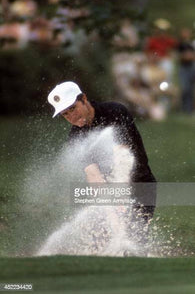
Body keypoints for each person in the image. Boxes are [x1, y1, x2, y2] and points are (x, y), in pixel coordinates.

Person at [48, 81, 156, 251]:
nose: (72, 117)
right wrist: (111, 209)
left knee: (134, 239)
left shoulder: (114, 112)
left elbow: (122, 159)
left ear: (84, 99)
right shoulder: (76, 139)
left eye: (73, 108)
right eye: (65, 114)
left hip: (141, 186)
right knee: (102, 242)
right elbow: (94, 176)